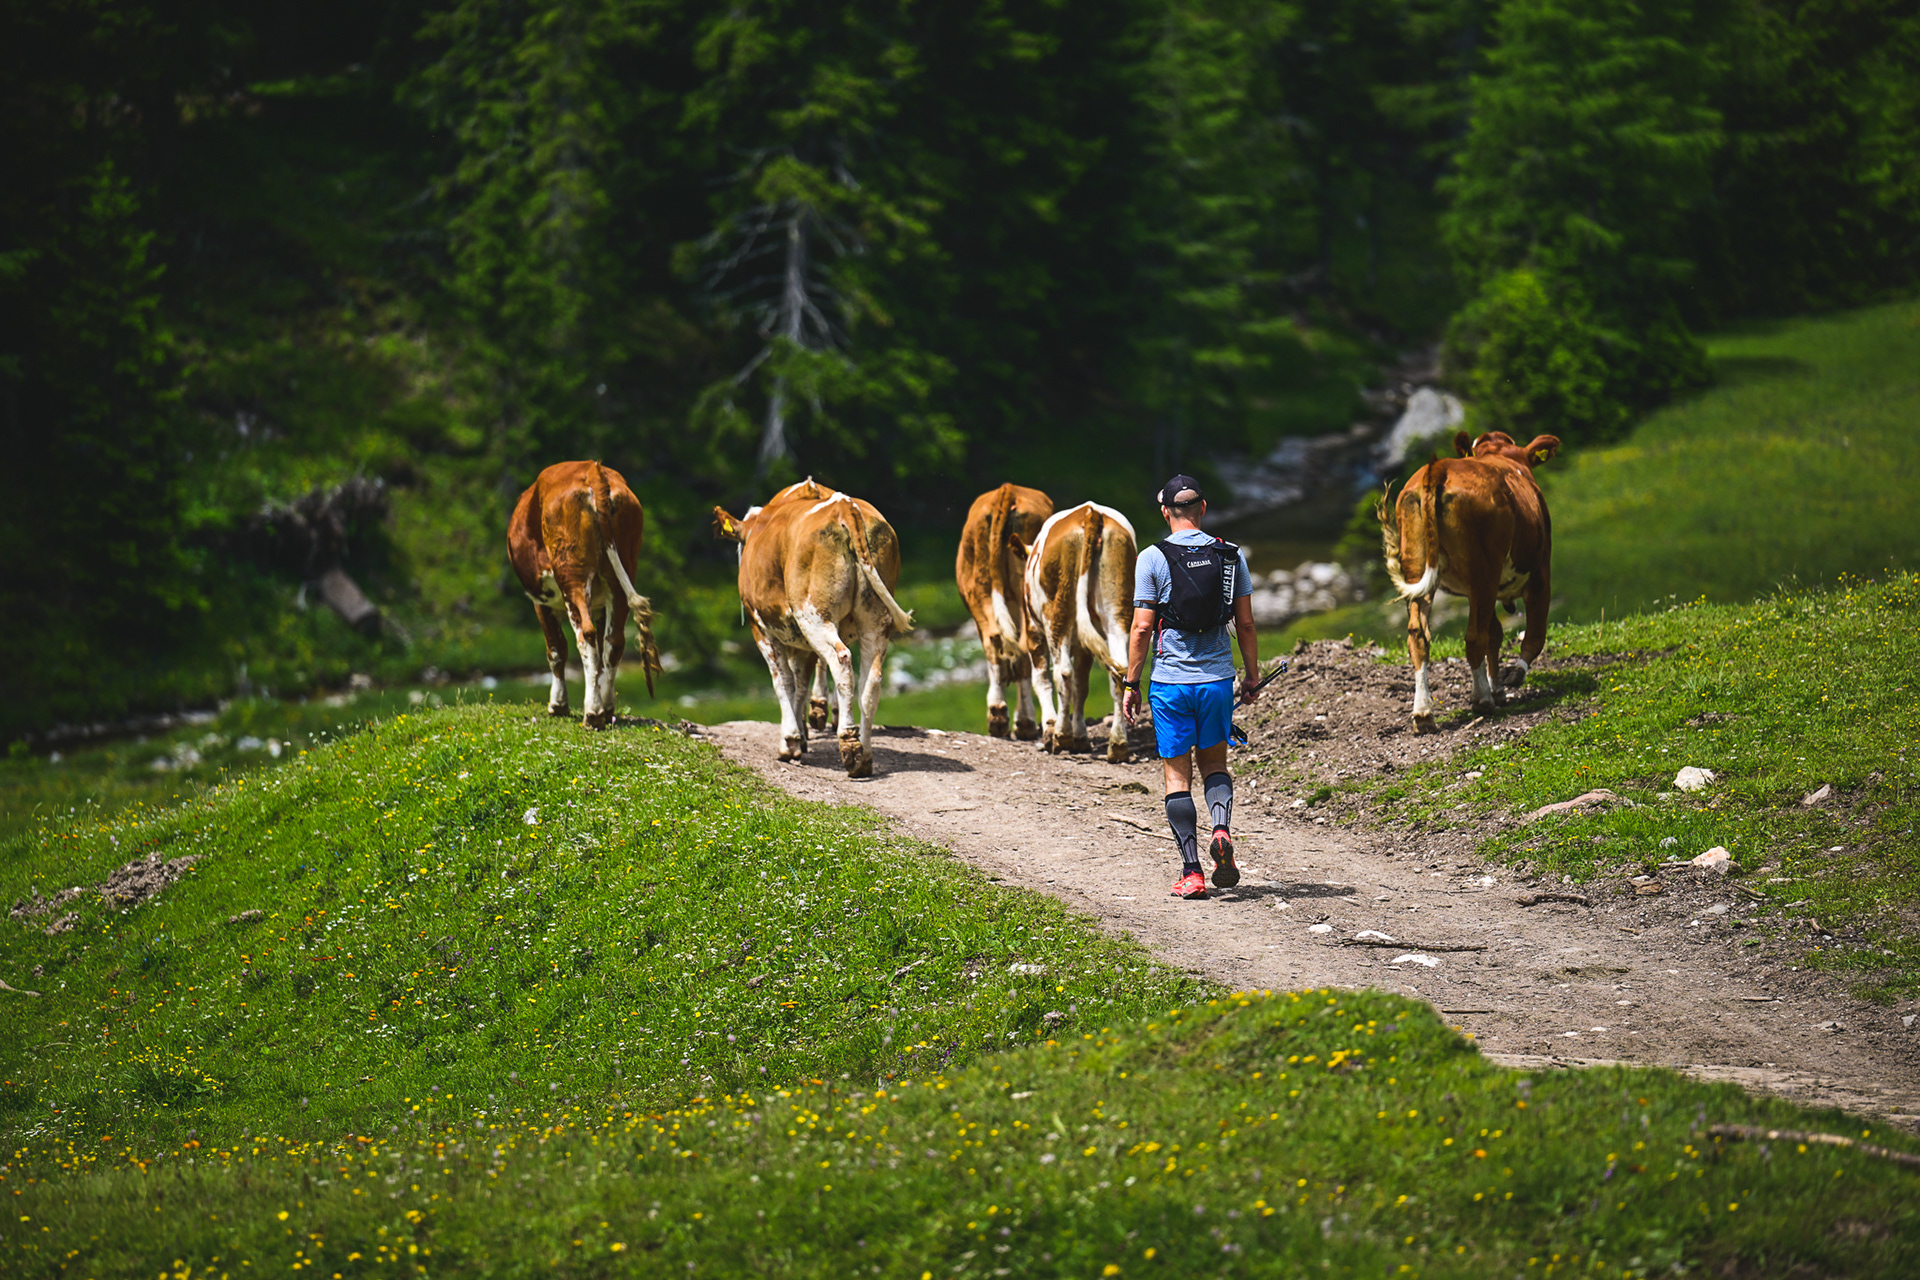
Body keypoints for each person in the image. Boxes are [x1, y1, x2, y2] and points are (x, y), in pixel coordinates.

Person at [1120, 475, 1261, 899]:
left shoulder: (1151, 558)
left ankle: (1192, 872)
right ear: (1203, 509)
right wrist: (1251, 675)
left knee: (1176, 777)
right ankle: (1221, 828)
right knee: (1214, 765)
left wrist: (1131, 683)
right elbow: (1247, 623)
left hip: (1170, 685)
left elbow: (1143, 628)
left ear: (1165, 511)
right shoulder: (1231, 556)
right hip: (1217, 680)